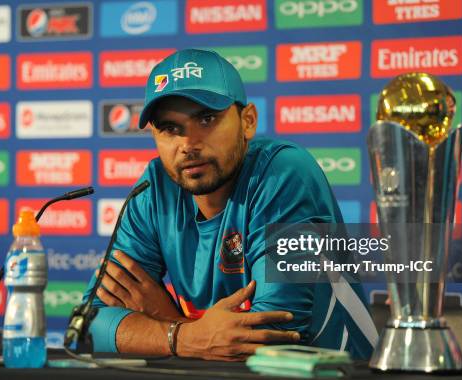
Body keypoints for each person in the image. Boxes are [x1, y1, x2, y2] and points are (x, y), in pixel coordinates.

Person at [83, 48, 377, 361]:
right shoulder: (154, 187)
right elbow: (87, 327)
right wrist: (185, 335)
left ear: (247, 121)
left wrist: (168, 321)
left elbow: (272, 338)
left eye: (206, 119)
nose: (188, 145)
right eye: (170, 128)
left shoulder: (283, 172)